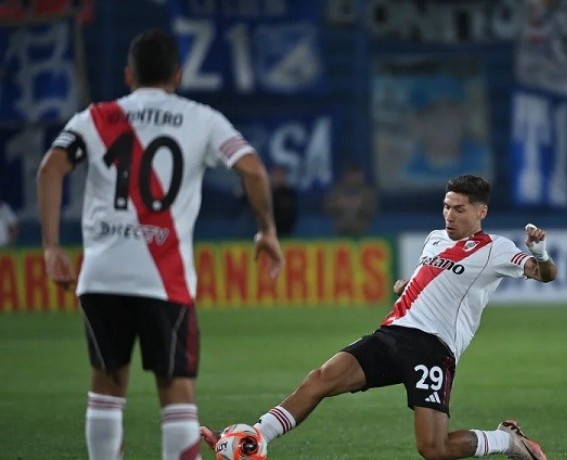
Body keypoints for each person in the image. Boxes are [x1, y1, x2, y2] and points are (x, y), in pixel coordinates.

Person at [36, 28, 284, 460]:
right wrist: (266, 229)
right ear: (178, 74)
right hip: (163, 278)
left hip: (101, 274)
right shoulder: (202, 118)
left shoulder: (94, 117)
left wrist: (52, 246)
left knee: (107, 384)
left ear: (128, 75)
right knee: (176, 390)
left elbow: (49, 169)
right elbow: (254, 171)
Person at [202, 175, 558, 460]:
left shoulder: (495, 249)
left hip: (431, 350)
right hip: (392, 335)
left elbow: (545, 274)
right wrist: (408, 284)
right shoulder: (434, 239)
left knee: (433, 449)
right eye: (446, 207)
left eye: (460, 209)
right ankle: (252, 438)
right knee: (319, 379)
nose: (450, 215)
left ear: (481, 212)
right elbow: (430, 278)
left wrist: (539, 253)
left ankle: (505, 441)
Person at [323, 164, 378, 236]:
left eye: (357, 175)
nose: (355, 178)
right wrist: (339, 204)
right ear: (347, 176)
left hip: (361, 231)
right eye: (352, 176)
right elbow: (327, 207)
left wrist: (359, 206)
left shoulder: (368, 193)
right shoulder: (337, 191)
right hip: (341, 230)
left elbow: (372, 211)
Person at [269, 164, 299, 237]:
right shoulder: (267, 193)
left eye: (280, 175)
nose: (278, 178)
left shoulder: (289, 193)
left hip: (287, 230)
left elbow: (294, 211)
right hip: (270, 229)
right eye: (276, 175)